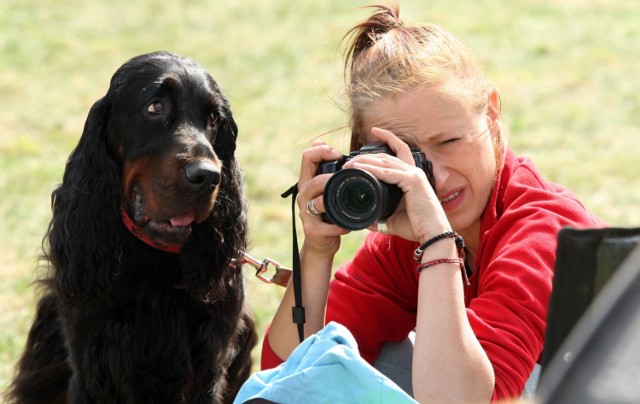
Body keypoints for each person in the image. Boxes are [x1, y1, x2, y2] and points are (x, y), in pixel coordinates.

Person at [260, 3, 605, 402]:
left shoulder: (543, 230)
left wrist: (439, 243)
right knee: (347, 357)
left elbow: (462, 400)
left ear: (491, 114)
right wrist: (317, 252)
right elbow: (284, 382)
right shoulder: (404, 245)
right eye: (407, 155)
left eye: (449, 142)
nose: (436, 178)